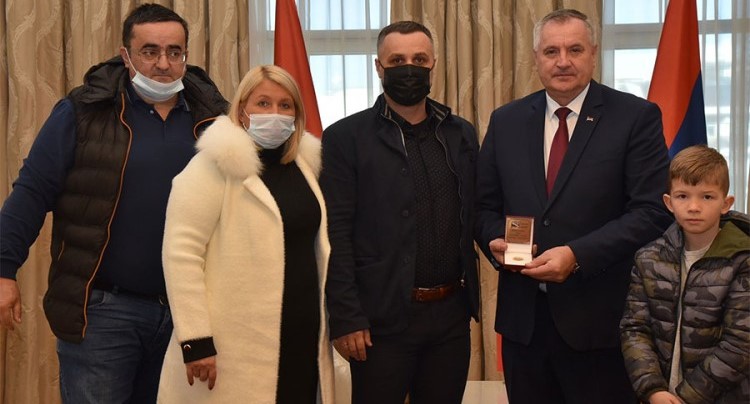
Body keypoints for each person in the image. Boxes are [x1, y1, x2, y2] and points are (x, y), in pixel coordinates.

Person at [0, 4, 227, 403]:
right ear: (126, 55)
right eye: (149, 51)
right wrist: (3, 270)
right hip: (104, 312)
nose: (163, 64)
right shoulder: (82, 112)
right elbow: (32, 192)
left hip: (188, 316)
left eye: (174, 52)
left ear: (186, 55)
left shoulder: (214, 119)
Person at [474, 8, 674, 404]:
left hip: (599, 325)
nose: (562, 61)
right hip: (524, 327)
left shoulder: (635, 117)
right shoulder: (506, 120)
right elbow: (483, 208)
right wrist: (496, 240)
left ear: (593, 53)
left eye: (575, 50)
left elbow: (652, 212)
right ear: (536, 58)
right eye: (551, 51)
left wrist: (577, 255)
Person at [320, 20, 480, 404]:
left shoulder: (460, 133)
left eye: (419, 59)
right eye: (397, 60)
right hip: (379, 319)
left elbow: (477, 210)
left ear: (433, 64)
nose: (409, 68)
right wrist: (346, 316)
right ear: (379, 67)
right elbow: (335, 232)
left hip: (450, 317)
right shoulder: (345, 138)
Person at [156, 65, 335, 404]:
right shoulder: (211, 166)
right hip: (232, 346)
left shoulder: (304, 166)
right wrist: (196, 339)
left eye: (285, 105)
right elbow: (181, 254)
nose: (274, 113)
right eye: (263, 103)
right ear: (241, 110)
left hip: (301, 335)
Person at [620, 145, 749, 404]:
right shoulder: (648, 258)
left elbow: (740, 343)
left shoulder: (742, 260)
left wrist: (687, 397)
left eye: (707, 197)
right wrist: (653, 389)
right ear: (669, 202)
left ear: (726, 204)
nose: (694, 206)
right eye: (682, 196)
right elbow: (635, 329)